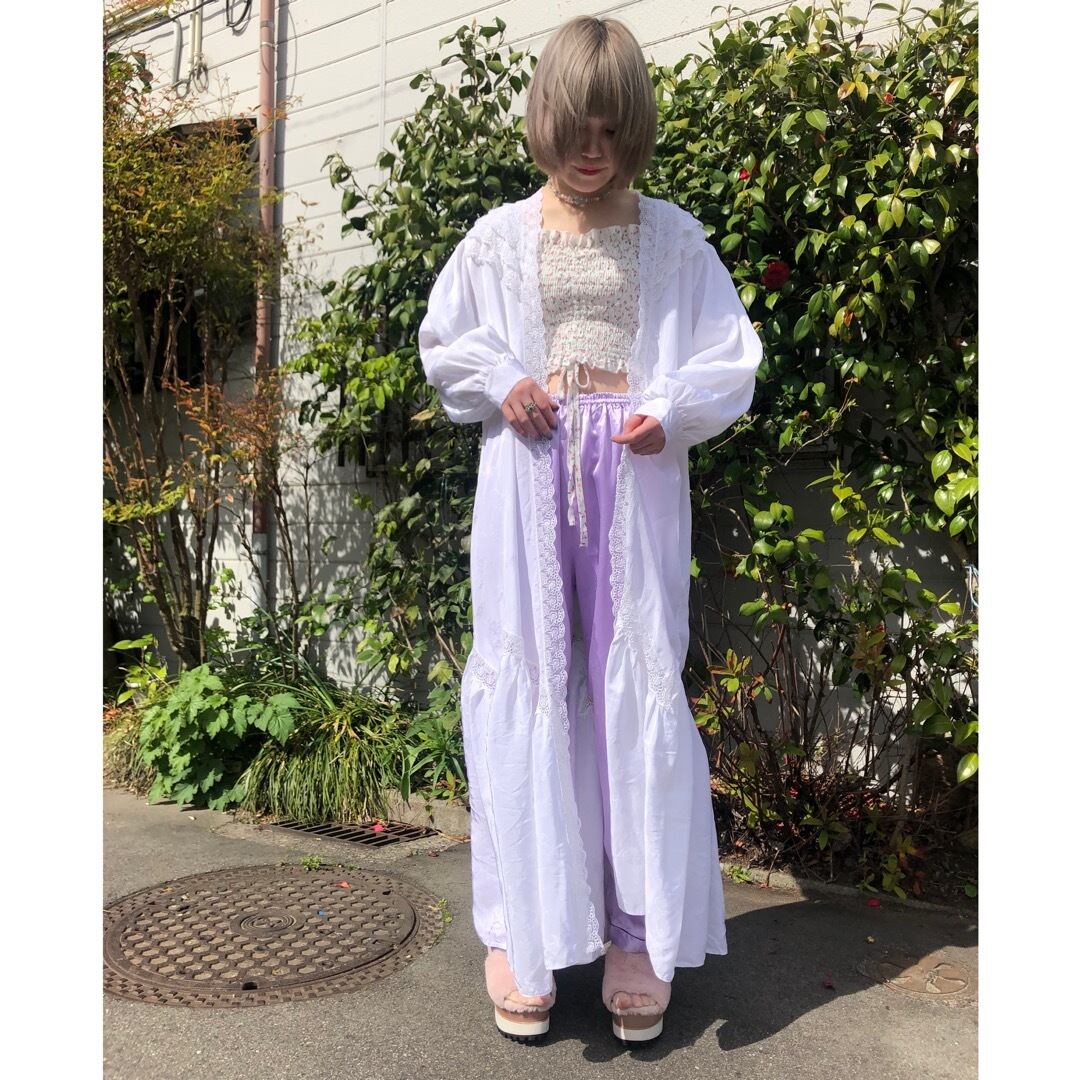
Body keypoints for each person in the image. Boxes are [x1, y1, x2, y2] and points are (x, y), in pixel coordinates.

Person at [418, 14, 763, 1046]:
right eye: (577, 127)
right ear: (547, 119)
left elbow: (726, 354)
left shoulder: (673, 237)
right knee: (530, 680)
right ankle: (522, 932)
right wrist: (503, 379)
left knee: (632, 685)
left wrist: (672, 407)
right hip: (527, 482)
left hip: (632, 483)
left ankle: (634, 931)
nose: (593, 150)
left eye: (613, 131)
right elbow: (448, 342)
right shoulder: (497, 239)